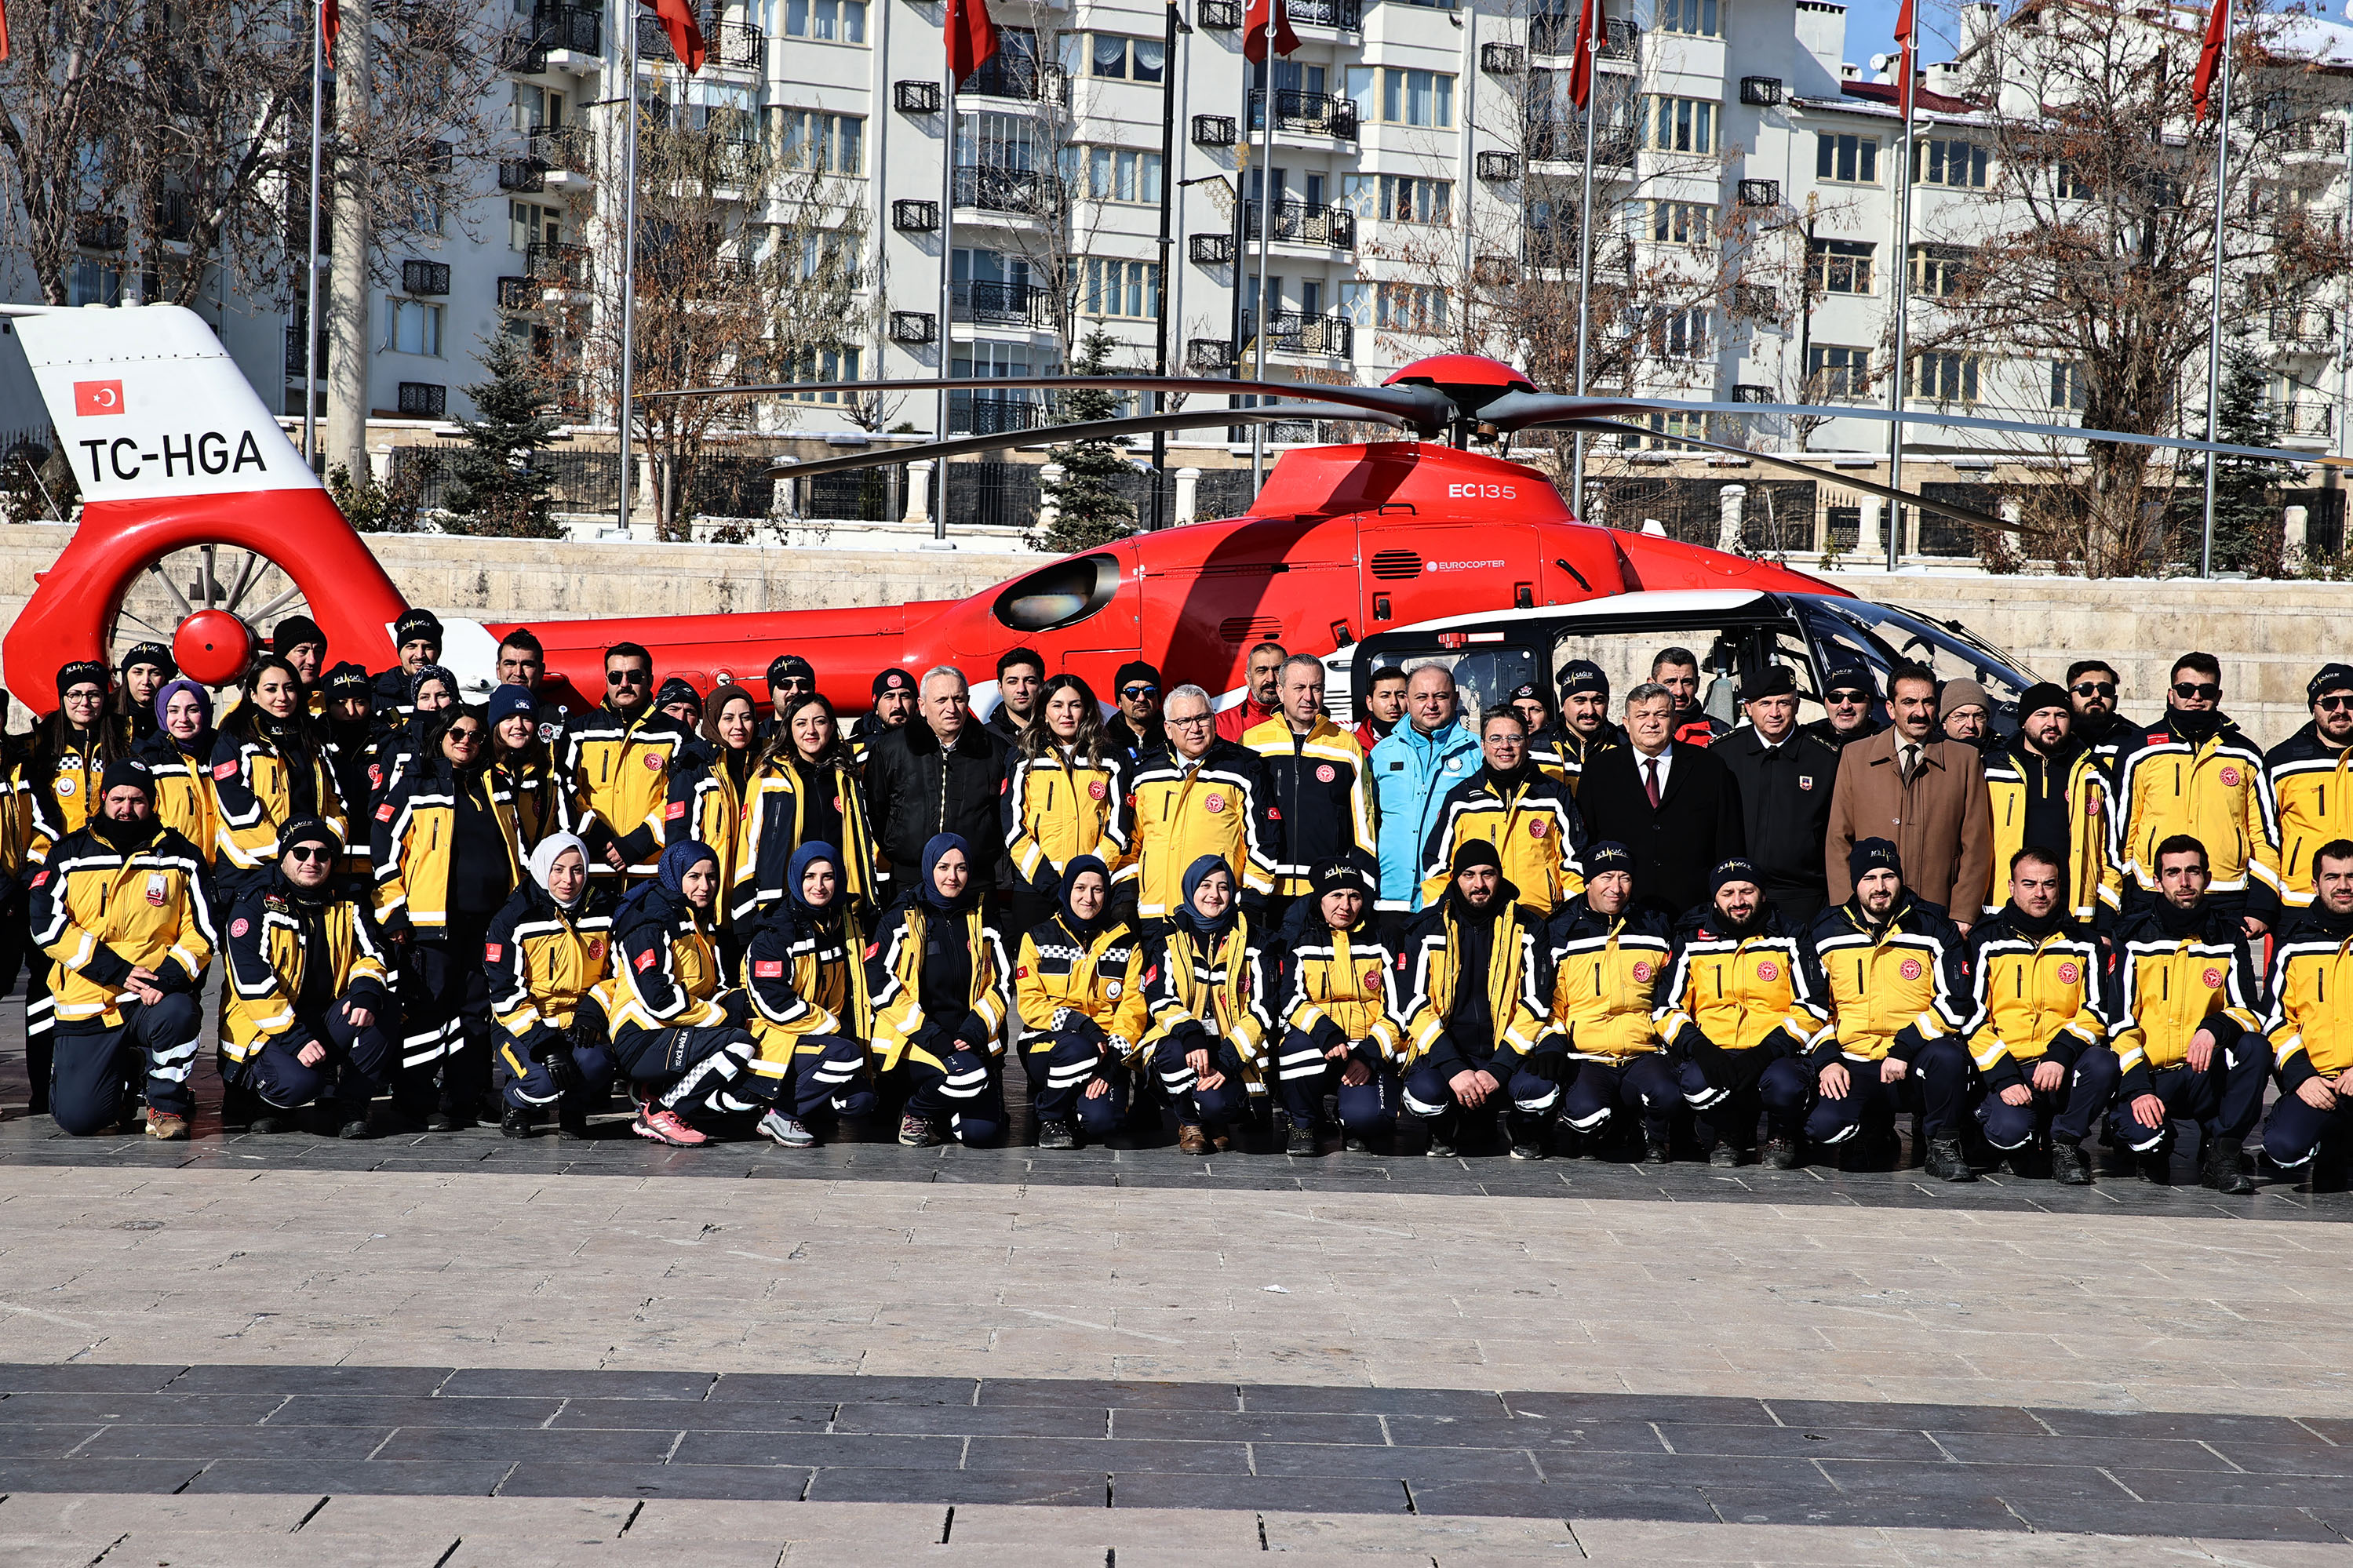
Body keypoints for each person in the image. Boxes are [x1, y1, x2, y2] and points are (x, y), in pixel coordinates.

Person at [29, 759, 213, 1138]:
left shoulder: (182, 855)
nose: (126, 809)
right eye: (118, 799)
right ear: (103, 799)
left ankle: (166, 1105)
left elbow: (204, 931)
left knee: (179, 1013)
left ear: (153, 801)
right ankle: (123, 1081)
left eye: (138, 799)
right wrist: (115, 971)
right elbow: (46, 925)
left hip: (152, 994)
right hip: (88, 997)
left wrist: (167, 978)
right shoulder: (69, 853)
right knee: (80, 1121)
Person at [373, 708, 523, 1129]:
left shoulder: (497, 785)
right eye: (457, 733)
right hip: (431, 924)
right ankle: (413, 1099)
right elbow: (384, 854)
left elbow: (518, 851)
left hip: (490, 924)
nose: (465, 741)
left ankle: (466, 1098)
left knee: (477, 1011)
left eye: (475, 736)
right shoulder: (414, 785)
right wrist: (393, 912)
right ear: (441, 736)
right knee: (428, 1010)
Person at [1801, 839, 1974, 1181]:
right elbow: (1811, 1008)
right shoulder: (1825, 931)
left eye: (1888, 876)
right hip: (1854, 1059)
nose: (1879, 887)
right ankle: (1872, 1128)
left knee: (1949, 1057)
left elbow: (1956, 1002)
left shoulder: (1933, 926)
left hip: (1913, 1059)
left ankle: (1942, 1143)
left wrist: (1906, 1047)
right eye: (1869, 878)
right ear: (1855, 883)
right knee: (1823, 1128)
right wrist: (1828, 1060)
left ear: (1900, 879)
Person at [2103, 835, 2265, 1193]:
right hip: (2149, 1075)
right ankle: (2143, 1140)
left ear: (2207, 878)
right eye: (2173, 872)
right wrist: (2138, 1088)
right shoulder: (2132, 937)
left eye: (2193, 872)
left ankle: (2222, 1154)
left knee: (2255, 1046)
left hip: (2202, 1072)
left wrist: (2214, 1027)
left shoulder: (2228, 937)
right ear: (2157, 882)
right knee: (2148, 1142)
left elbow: (2249, 1012)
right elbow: (2120, 1022)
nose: (2184, 881)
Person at [220, 817, 397, 1137]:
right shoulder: (254, 901)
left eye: (322, 855)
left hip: (323, 1018)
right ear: (284, 855)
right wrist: (295, 1039)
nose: (311, 862)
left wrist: (366, 990)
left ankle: (351, 1104)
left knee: (381, 1005)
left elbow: (371, 954)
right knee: (301, 1084)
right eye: (301, 853)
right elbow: (251, 982)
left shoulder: (347, 899)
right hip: (267, 1027)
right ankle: (261, 1099)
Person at [1961, 847, 2117, 1184]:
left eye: (2049, 884)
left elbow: (2097, 1011)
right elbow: (1970, 1016)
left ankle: (2065, 1143)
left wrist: (2060, 1054)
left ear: (2060, 886)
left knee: (2103, 1063)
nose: (2040, 893)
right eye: (2029, 884)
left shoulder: (2085, 942)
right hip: (2009, 1064)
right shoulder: (1985, 940)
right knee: (2009, 1133)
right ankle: (1999, 1125)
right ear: (2012, 887)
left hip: (2061, 1065)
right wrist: (2004, 1077)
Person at [1656, 857, 1819, 1168]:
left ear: (1763, 895)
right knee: (1695, 1081)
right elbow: (1666, 1007)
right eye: (1727, 893)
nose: (1738, 901)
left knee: (1786, 1086)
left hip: (1774, 1050)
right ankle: (1727, 1132)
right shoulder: (1691, 938)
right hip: (1716, 1048)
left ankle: (1782, 1133)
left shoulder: (1791, 935)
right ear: (1715, 899)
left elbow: (1813, 1005)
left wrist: (1769, 1050)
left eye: (1747, 891)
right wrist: (1700, 1048)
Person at [1398, 841, 1557, 1159]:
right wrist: (1453, 1066)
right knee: (1424, 1095)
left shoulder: (1528, 927)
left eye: (1488, 874)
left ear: (1500, 876)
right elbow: (1413, 1005)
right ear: (1454, 878)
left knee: (1541, 1090)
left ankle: (1521, 1126)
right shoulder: (1426, 928)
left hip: (1506, 1051)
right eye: (1469, 875)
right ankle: (1444, 1128)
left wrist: (1498, 1069)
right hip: (1449, 1052)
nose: (1479, 885)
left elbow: (1536, 1005)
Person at [606, 839, 767, 1146]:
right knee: (739, 1044)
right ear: (675, 876)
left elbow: (708, 988)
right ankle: (661, 1111)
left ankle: (656, 1091)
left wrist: (743, 1004)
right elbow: (660, 1000)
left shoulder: (696, 920)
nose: (705, 885)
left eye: (711, 876)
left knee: (753, 1023)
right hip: (641, 1035)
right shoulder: (650, 921)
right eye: (694, 876)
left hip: (674, 1030)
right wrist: (722, 1016)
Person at [24, 661, 134, 1106]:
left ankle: (119, 1080)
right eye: (74, 695)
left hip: (108, 871)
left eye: (92, 694)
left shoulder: (122, 737)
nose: (84, 703)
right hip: (55, 869)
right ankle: (40, 1082)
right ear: (62, 698)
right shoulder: (40, 743)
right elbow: (35, 805)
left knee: (108, 967)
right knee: (43, 980)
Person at [2108, 652, 2275, 937]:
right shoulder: (2139, 750)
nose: (2196, 696)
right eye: (2186, 689)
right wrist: (2125, 897)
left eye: (2206, 690)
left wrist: (2261, 905)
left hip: (2226, 894)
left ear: (2218, 695)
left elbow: (2264, 834)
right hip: (2155, 893)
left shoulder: (2244, 754)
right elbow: (2121, 834)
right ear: (2171, 694)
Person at [1824, 661, 1994, 933]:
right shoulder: (1856, 757)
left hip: (1938, 914)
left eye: (1928, 702)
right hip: (1870, 915)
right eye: (1909, 702)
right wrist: (1848, 909)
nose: (1920, 712)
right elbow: (1838, 841)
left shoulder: (1964, 759)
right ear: (1891, 709)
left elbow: (1976, 846)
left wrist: (1963, 913)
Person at [869, 833, 1012, 1148]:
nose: (952, 876)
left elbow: (1003, 982)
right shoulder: (901, 917)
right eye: (943, 866)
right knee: (969, 1079)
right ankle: (917, 1110)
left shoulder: (983, 916)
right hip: (916, 1039)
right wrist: (931, 1036)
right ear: (928, 868)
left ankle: (944, 1110)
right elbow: (878, 984)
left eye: (961, 868)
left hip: (967, 1037)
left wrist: (976, 1028)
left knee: (982, 1135)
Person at [1543, 842, 1676, 1161]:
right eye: (1606, 877)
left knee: (1670, 1094)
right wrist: (1553, 1044)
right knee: (1587, 1114)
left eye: (1624, 878)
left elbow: (1668, 995)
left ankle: (1653, 1135)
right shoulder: (1561, 931)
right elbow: (1553, 1002)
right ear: (1588, 881)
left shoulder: (1654, 925)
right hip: (1586, 1054)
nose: (1615, 888)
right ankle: (1587, 1124)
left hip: (1641, 1051)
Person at [741, 841, 878, 1150]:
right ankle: (781, 1113)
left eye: (827, 876)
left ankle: (806, 1106)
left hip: (823, 1036)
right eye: (809, 877)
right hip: (779, 1037)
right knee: (845, 1055)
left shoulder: (845, 923)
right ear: (795, 879)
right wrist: (830, 1025)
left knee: (862, 1100)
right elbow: (771, 1003)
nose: (819, 886)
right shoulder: (775, 931)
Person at [486, 832, 618, 1141]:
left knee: (598, 1064)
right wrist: (544, 1043)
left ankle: (574, 1107)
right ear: (543, 868)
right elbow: (505, 993)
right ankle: (517, 1102)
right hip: (522, 1024)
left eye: (577, 869)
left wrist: (593, 1010)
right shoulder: (514, 917)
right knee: (542, 1081)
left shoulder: (605, 909)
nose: (568, 880)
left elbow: (618, 975)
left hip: (579, 1019)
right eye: (558, 869)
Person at [1014, 855, 1148, 1150]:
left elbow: (1133, 1011)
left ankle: (1070, 1105)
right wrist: (1080, 1024)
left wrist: (1112, 1062)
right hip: (1048, 1044)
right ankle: (1051, 1116)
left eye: (1098, 890)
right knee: (1077, 1046)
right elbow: (1030, 1003)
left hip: (1106, 1052)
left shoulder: (1127, 943)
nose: (1089, 898)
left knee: (1104, 1123)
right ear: (1066, 891)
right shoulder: (1036, 938)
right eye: (1080, 888)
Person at [1577, 681, 1744, 917]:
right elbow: (1588, 841)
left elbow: (1729, 841)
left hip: (1695, 908)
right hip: (1624, 908)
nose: (1652, 723)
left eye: (1661, 715)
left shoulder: (1710, 767)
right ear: (1626, 724)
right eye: (1642, 715)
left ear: (1675, 721)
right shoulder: (1599, 771)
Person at [1271, 856, 1402, 1155]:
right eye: (1336, 896)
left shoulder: (1383, 940)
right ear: (1319, 900)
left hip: (1366, 1047)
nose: (1346, 905)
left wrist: (1370, 1052)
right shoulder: (1300, 939)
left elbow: (1398, 1009)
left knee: (1371, 1121)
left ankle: (1351, 1121)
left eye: (1354, 896)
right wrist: (1324, 1031)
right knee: (1294, 1047)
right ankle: (1302, 1122)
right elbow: (1290, 999)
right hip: (1320, 1043)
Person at [1144, 855, 1273, 1154]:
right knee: (1171, 1053)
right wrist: (1190, 1035)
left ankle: (1215, 1119)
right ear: (1190, 889)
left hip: (1233, 1050)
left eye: (1223, 887)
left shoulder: (1254, 939)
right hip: (1185, 1045)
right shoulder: (1168, 938)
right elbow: (1160, 998)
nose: (1214, 895)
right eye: (1205, 885)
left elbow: (1263, 1009)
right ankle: (1190, 1123)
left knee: (1219, 1105)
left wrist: (1228, 1060)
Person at [1121, 684, 1273, 925]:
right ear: (1168, 729)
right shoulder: (1144, 774)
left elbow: (1265, 842)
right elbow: (1130, 845)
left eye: (1202, 718)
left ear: (1213, 720)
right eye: (1183, 721)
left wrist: (1250, 902)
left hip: (1218, 913)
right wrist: (1127, 900)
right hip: (1155, 914)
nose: (1195, 728)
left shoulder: (1244, 768)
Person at [1245, 654, 1375, 933]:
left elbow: (1363, 824)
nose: (1308, 697)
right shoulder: (1252, 743)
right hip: (1265, 889)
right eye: (1299, 688)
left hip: (1324, 891)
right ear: (1280, 691)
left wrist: (1361, 886)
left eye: (1316, 688)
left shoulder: (1345, 745)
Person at [1420, 708, 1586, 919]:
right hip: (1479, 924)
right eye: (1495, 739)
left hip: (1543, 920)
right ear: (1483, 746)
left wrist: (1570, 918)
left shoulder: (1554, 795)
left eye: (1514, 738)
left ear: (1527, 742)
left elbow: (1574, 860)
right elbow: (1438, 865)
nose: (1504, 746)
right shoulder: (1461, 799)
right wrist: (1445, 917)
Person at [735, 692, 880, 930]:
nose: (810, 730)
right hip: (786, 908)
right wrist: (744, 916)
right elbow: (749, 848)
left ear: (832, 727)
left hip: (843, 906)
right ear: (789, 729)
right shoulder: (768, 778)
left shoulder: (848, 778)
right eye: (801, 723)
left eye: (820, 721)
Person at [865, 667, 1010, 901]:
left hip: (973, 880)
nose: (951, 708)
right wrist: (900, 846)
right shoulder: (890, 750)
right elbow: (877, 809)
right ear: (922, 706)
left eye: (958, 699)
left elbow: (1002, 814)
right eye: (941, 700)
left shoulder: (995, 751)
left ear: (968, 701)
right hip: (911, 877)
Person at [1004, 674, 1132, 939]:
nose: (1067, 714)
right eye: (1057, 705)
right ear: (1043, 711)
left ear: (1086, 710)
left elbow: (1119, 826)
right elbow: (1013, 827)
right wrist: (1049, 883)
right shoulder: (1023, 757)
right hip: (1036, 888)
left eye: (1075, 705)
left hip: (1091, 891)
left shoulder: (1110, 758)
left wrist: (1089, 877)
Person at [211, 655, 348, 897]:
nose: (282, 698)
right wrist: (287, 853)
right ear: (253, 694)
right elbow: (237, 809)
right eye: (271, 689)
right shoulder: (234, 739)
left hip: (309, 868)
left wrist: (328, 846)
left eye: (289, 688)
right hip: (249, 870)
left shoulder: (313, 739)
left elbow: (335, 800)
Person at [558, 642, 694, 883]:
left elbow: (680, 797)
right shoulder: (579, 731)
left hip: (652, 870)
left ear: (650, 680)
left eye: (634, 676)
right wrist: (598, 836)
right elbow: (566, 791)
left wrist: (641, 841)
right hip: (592, 868)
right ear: (606, 679)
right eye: (615, 676)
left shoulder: (676, 734)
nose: (624, 684)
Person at [1716, 665, 1841, 926]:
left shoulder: (1824, 758)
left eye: (1783, 703)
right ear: (1749, 708)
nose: (1774, 713)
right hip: (1738, 893)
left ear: (1796, 705)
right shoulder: (1724, 754)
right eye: (1765, 704)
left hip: (1803, 895)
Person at [2259, 839, 2353, 1182]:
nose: (2343, 886)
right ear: (2315, 884)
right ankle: (2328, 1137)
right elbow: (2275, 1020)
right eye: (2332, 877)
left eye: (2351, 876)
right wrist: (2302, 1077)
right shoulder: (2294, 943)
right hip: (2319, 1080)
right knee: (2285, 1148)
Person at [1983, 682, 2112, 923]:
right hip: (2002, 911)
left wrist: (2105, 915)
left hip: (2074, 912)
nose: (2052, 723)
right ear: (2023, 720)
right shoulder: (1993, 768)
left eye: (2060, 715)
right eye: (2042, 714)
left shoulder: (2092, 772)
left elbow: (2110, 851)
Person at [1370, 664, 1479, 922]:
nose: (1431, 704)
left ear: (1455, 698)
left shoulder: (1476, 752)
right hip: (1389, 895)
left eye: (1440, 696)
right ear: (1407, 700)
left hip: (1448, 895)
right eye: (1421, 697)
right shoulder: (1382, 753)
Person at [2251, 663, 2353, 933]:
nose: (2341, 710)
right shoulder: (2282, 761)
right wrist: (2262, 903)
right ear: (2314, 707)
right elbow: (2264, 837)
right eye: (2330, 702)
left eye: (2350, 701)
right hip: (2300, 900)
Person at [666, 684, 759, 962]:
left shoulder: (765, 764)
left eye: (746, 717)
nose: (738, 726)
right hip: (709, 895)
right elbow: (679, 835)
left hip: (751, 890)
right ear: (713, 721)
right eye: (728, 718)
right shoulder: (695, 765)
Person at [138, 678, 220, 865]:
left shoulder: (223, 753)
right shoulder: (150, 760)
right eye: (173, 711)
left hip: (225, 870)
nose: (183, 718)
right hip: (171, 867)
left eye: (193, 710)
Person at [487, 683, 566, 851]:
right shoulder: (485, 771)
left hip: (539, 870)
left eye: (526, 718)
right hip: (501, 870)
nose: (519, 725)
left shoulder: (549, 767)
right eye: (509, 718)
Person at [319, 663, 380, 837]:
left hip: (373, 850)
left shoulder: (387, 740)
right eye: (341, 703)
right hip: (325, 850)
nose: (351, 711)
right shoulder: (314, 739)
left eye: (360, 702)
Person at [1553, 660, 1624, 789]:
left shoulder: (1624, 745)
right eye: (1580, 701)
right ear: (1563, 704)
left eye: (1598, 701)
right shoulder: (1537, 747)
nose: (1589, 711)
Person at [2066, 659, 2143, 773]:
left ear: (2115, 700)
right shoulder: (2058, 737)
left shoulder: (2136, 740)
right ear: (2069, 697)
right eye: (2085, 689)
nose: (2096, 695)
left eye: (2105, 689)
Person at [373, 607, 445, 716]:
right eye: (411, 647)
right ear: (400, 651)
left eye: (428, 647)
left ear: (438, 652)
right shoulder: (377, 696)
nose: (420, 655)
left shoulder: (449, 693)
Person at [1651, 646, 1729, 748]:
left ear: (1697, 684)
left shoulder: (1720, 733)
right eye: (1670, 682)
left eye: (1687, 682)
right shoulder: (1632, 735)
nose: (1679, 692)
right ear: (1652, 685)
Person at [1215, 640, 1288, 744]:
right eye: (1262, 671)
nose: (1270, 679)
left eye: (1277, 670)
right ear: (1248, 679)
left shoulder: (1309, 720)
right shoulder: (1221, 725)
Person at [1803, 661, 1884, 754]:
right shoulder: (1806, 738)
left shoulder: (1888, 741)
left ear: (1870, 704)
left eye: (1856, 697)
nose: (1845, 706)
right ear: (1825, 703)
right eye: (1835, 697)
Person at [848, 668, 917, 764]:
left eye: (905, 696)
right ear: (876, 707)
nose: (898, 705)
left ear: (917, 704)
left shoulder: (932, 744)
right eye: (889, 697)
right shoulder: (854, 749)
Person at [1506, 682, 1571, 785]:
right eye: (1519, 711)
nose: (1527, 718)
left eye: (1535, 710)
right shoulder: (1502, 750)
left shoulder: (1566, 750)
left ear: (1549, 715)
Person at [1106, 662, 1165, 767]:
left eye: (1149, 691)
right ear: (1119, 701)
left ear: (1158, 698)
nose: (1141, 698)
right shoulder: (1104, 742)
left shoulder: (1175, 738)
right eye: (1132, 692)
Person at [985, 646, 1047, 744]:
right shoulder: (984, 739)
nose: (1021, 689)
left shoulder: (1058, 734)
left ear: (1042, 686)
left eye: (1030, 681)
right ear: (1000, 688)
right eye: (1012, 682)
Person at [113, 643, 174, 743]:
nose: (146, 681)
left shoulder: (177, 716)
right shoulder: (106, 714)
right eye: (138, 672)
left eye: (155, 673)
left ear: (165, 678)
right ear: (126, 676)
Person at [275, 616, 330, 706]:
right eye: (302, 651)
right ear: (282, 657)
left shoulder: (332, 701)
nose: (312, 661)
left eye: (318, 652)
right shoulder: (260, 705)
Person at [1354, 665, 1408, 753]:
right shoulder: (1353, 745)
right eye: (1385, 696)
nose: (1394, 702)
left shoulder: (1427, 740)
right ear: (1370, 702)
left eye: (1401, 696)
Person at [1938, 679, 1997, 755]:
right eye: (1961, 716)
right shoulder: (1930, 752)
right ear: (1944, 722)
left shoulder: (2000, 756)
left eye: (1978, 716)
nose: (1971, 725)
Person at [654, 676, 705, 740]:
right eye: (674, 710)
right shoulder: (640, 746)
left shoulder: (707, 750)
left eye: (689, 712)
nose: (681, 718)